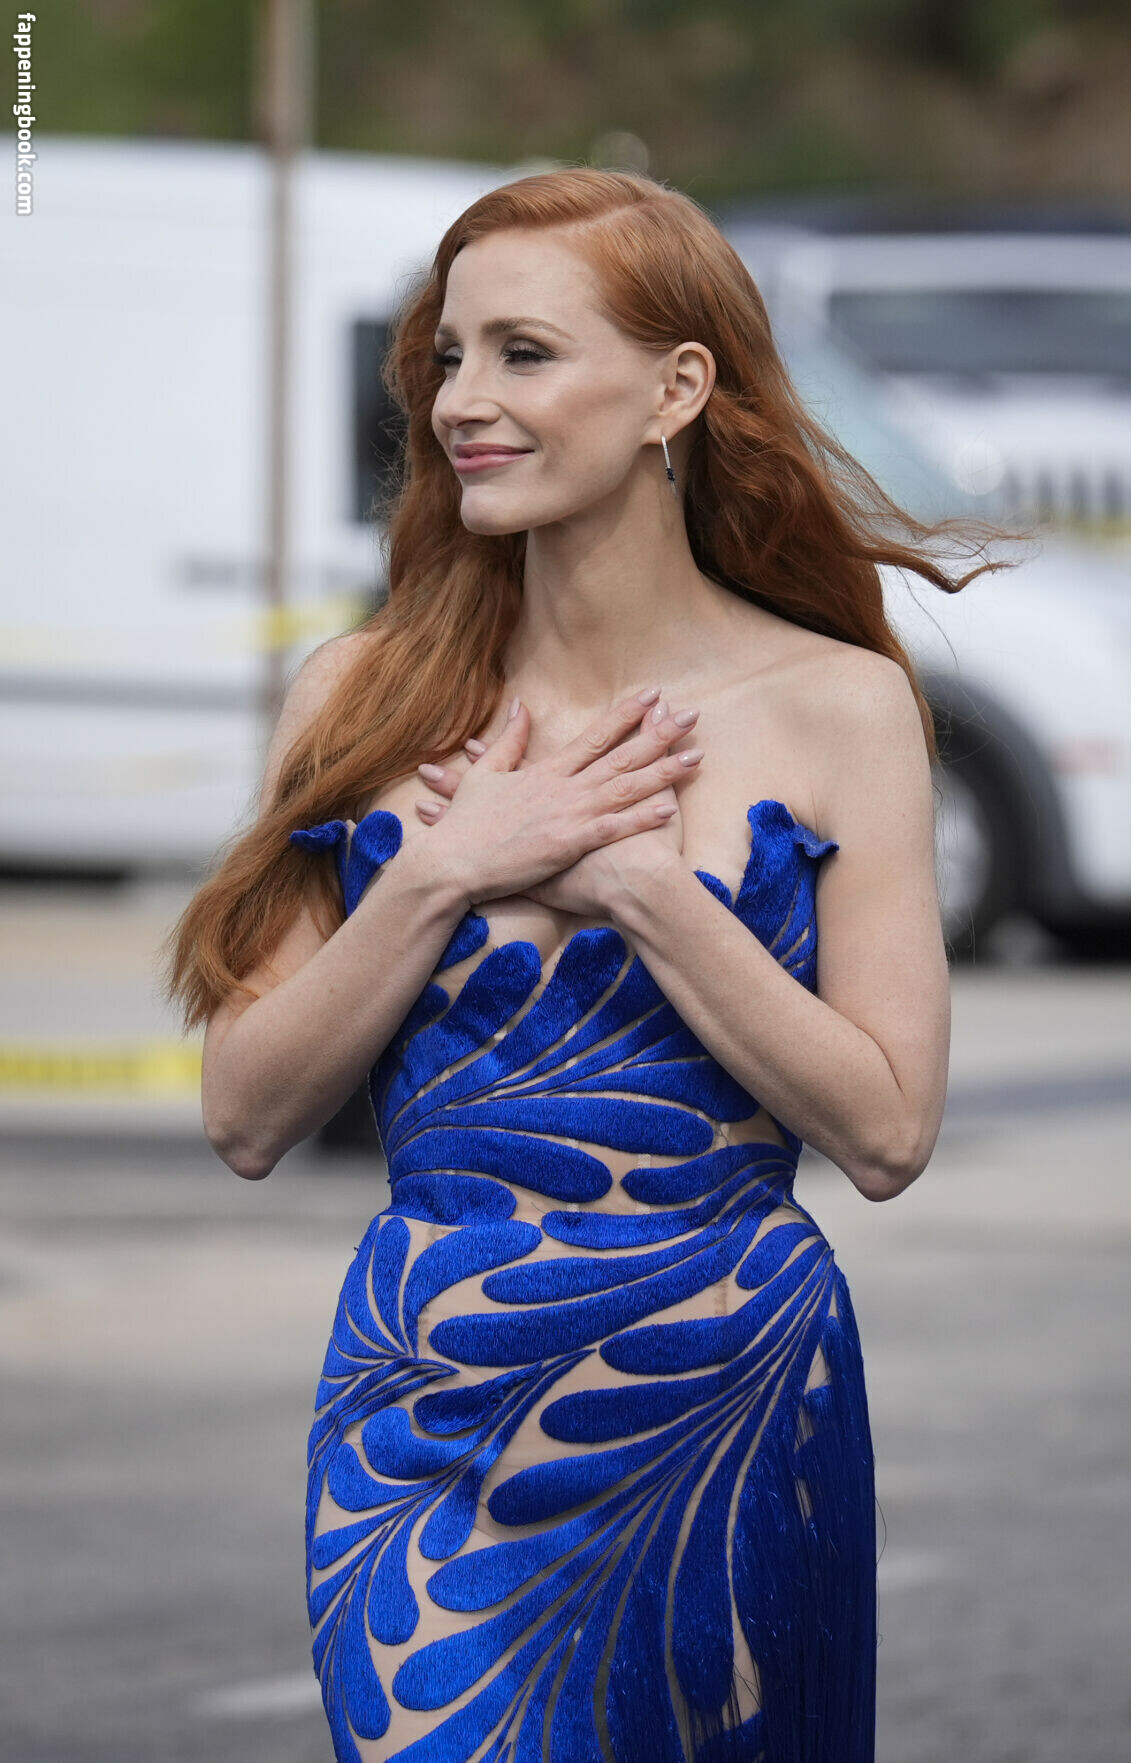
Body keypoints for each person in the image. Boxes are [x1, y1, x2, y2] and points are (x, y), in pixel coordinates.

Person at [165, 167, 1008, 1763]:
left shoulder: (838, 705)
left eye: (524, 354)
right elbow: (246, 1114)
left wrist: (642, 887)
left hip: (730, 1404)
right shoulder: (358, 696)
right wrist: (450, 869)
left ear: (676, 391)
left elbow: (889, 1130)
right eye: (449, 357)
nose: (462, 403)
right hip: (425, 1408)